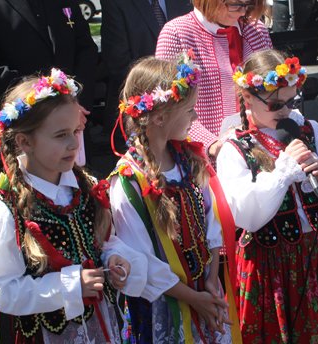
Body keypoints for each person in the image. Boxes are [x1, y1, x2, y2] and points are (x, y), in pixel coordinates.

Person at [0, 69, 148, 343]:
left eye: (76, 131)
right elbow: (3, 290)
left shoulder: (84, 186)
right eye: (61, 135)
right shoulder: (8, 210)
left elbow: (104, 241)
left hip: (102, 326)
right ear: (24, 142)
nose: (74, 144)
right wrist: (71, 286)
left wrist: (115, 257)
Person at [217, 49, 318, 343]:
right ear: (248, 98)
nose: (285, 111)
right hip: (266, 262)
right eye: (276, 104)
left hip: (312, 256)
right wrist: (281, 174)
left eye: (293, 102)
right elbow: (245, 214)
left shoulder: (310, 130)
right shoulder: (235, 147)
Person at [109, 53, 240, 343]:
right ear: (159, 117)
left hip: (203, 288)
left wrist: (211, 278)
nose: (196, 117)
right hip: (165, 303)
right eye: (190, 110)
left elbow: (211, 220)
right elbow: (142, 260)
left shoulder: (188, 159)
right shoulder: (128, 182)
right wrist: (195, 298)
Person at [0, 0, 98, 184]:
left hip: (74, 120)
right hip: (25, 127)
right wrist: (47, 103)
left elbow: (86, 50)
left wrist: (72, 102)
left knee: (80, 197)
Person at [156, 0, 272, 161]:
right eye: (235, 4)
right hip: (204, 161)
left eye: (249, 4)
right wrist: (211, 144)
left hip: (260, 153)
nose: (243, 12)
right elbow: (168, 107)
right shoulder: (177, 32)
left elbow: (274, 93)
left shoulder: (257, 30)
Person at [100, 0, 193, 152]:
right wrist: (161, 99)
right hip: (140, 116)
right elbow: (117, 62)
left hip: (183, 116)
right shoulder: (117, 3)